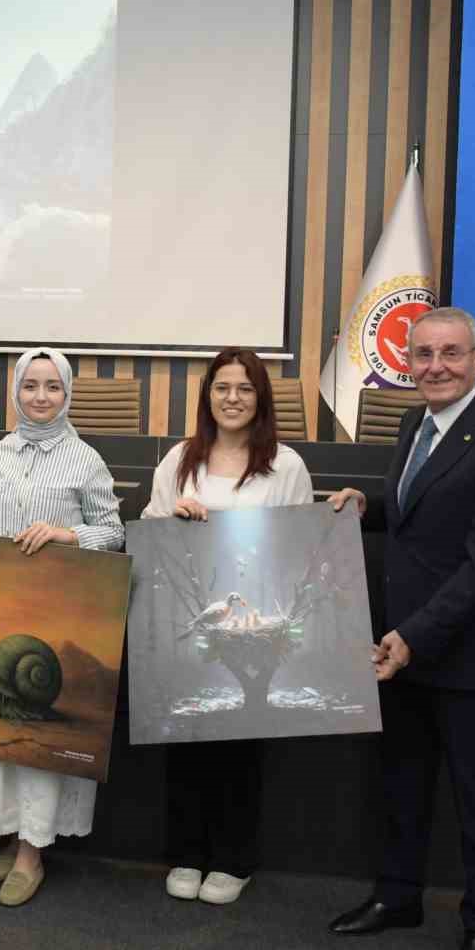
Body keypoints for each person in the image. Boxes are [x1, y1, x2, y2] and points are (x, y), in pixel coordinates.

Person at [326, 306, 475, 950]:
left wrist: (412, 636)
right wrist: (371, 505)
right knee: (402, 784)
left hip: (468, 656)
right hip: (405, 650)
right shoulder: (412, 425)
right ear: (408, 362)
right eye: (423, 354)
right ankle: (397, 898)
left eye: (451, 353)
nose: (436, 366)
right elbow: (419, 511)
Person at [0, 347, 125, 906]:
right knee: (1, 720)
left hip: (52, 607)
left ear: (68, 394)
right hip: (3, 610)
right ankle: (9, 831)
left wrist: (68, 535)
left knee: (38, 732)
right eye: (31, 386)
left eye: (52, 386)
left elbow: (113, 531)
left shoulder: (86, 459)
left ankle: (31, 853)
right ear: (15, 392)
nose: (41, 397)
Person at [140, 347, 313, 905]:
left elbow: (299, 546)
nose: (232, 398)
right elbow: (148, 534)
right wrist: (174, 520)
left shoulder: (285, 465)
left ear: (260, 398)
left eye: (244, 388)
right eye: (221, 387)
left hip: (255, 624)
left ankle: (234, 858)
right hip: (188, 618)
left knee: (241, 741)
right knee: (187, 736)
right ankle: (187, 851)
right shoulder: (178, 460)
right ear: (207, 396)